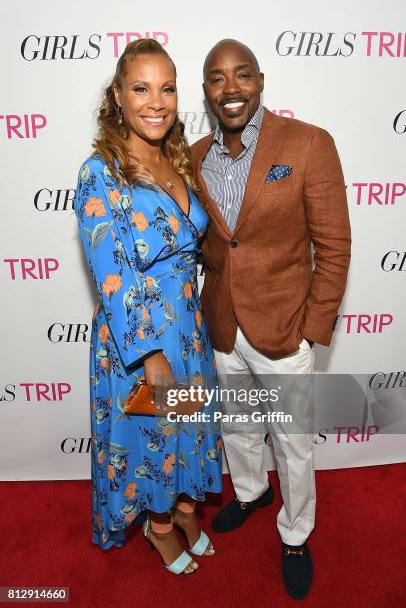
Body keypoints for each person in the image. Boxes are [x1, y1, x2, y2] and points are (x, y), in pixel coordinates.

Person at [191, 39, 351, 598]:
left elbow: (333, 246)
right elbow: (213, 245)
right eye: (216, 78)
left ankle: (295, 532)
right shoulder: (194, 155)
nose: (229, 89)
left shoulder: (308, 144)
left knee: (293, 440)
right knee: (237, 426)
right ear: (206, 90)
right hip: (223, 324)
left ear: (261, 80)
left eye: (241, 76)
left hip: (283, 329)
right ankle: (251, 491)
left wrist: (311, 329)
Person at [74, 38, 222, 575]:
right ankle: (159, 528)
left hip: (189, 329)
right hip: (140, 337)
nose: (155, 102)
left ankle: (184, 510)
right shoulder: (101, 172)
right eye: (141, 88)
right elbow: (112, 274)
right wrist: (150, 355)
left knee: (188, 428)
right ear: (118, 95)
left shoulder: (176, 160)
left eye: (166, 88)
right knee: (155, 434)